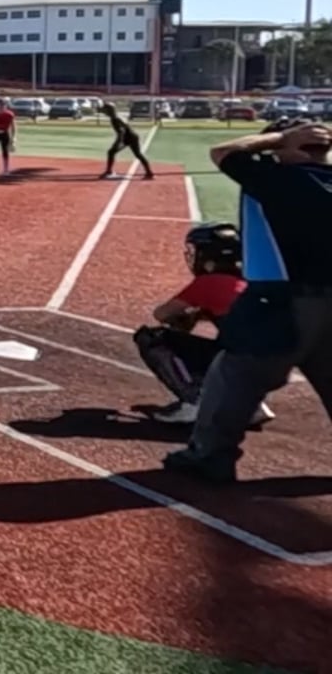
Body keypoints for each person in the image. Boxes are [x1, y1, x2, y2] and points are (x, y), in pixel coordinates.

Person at [165, 117, 332, 483]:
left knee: (235, 376)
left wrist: (280, 138)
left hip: (282, 300)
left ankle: (210, 455)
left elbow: (223, 152)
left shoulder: (279, 180)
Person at [133, 222, 274, 425]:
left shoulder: (209, 282)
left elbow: (162, 314)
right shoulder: (251, 281)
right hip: (275, 365)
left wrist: (190, 315)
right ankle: (251, 404)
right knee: (234, 343)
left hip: (242, 362)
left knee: (151, 338)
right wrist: (200, 314)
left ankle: (195, 401)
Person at [98, 102, 154, 180]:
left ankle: (109, 172)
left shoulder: (115, 119)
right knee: (137, 154)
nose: (104, 112)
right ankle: (149, 173)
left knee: (112, 152)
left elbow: (122, 132)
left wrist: (118, 142)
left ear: (109, 110)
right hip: (131, 136)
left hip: (129, 137)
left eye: (105, 110)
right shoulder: (116, 117)